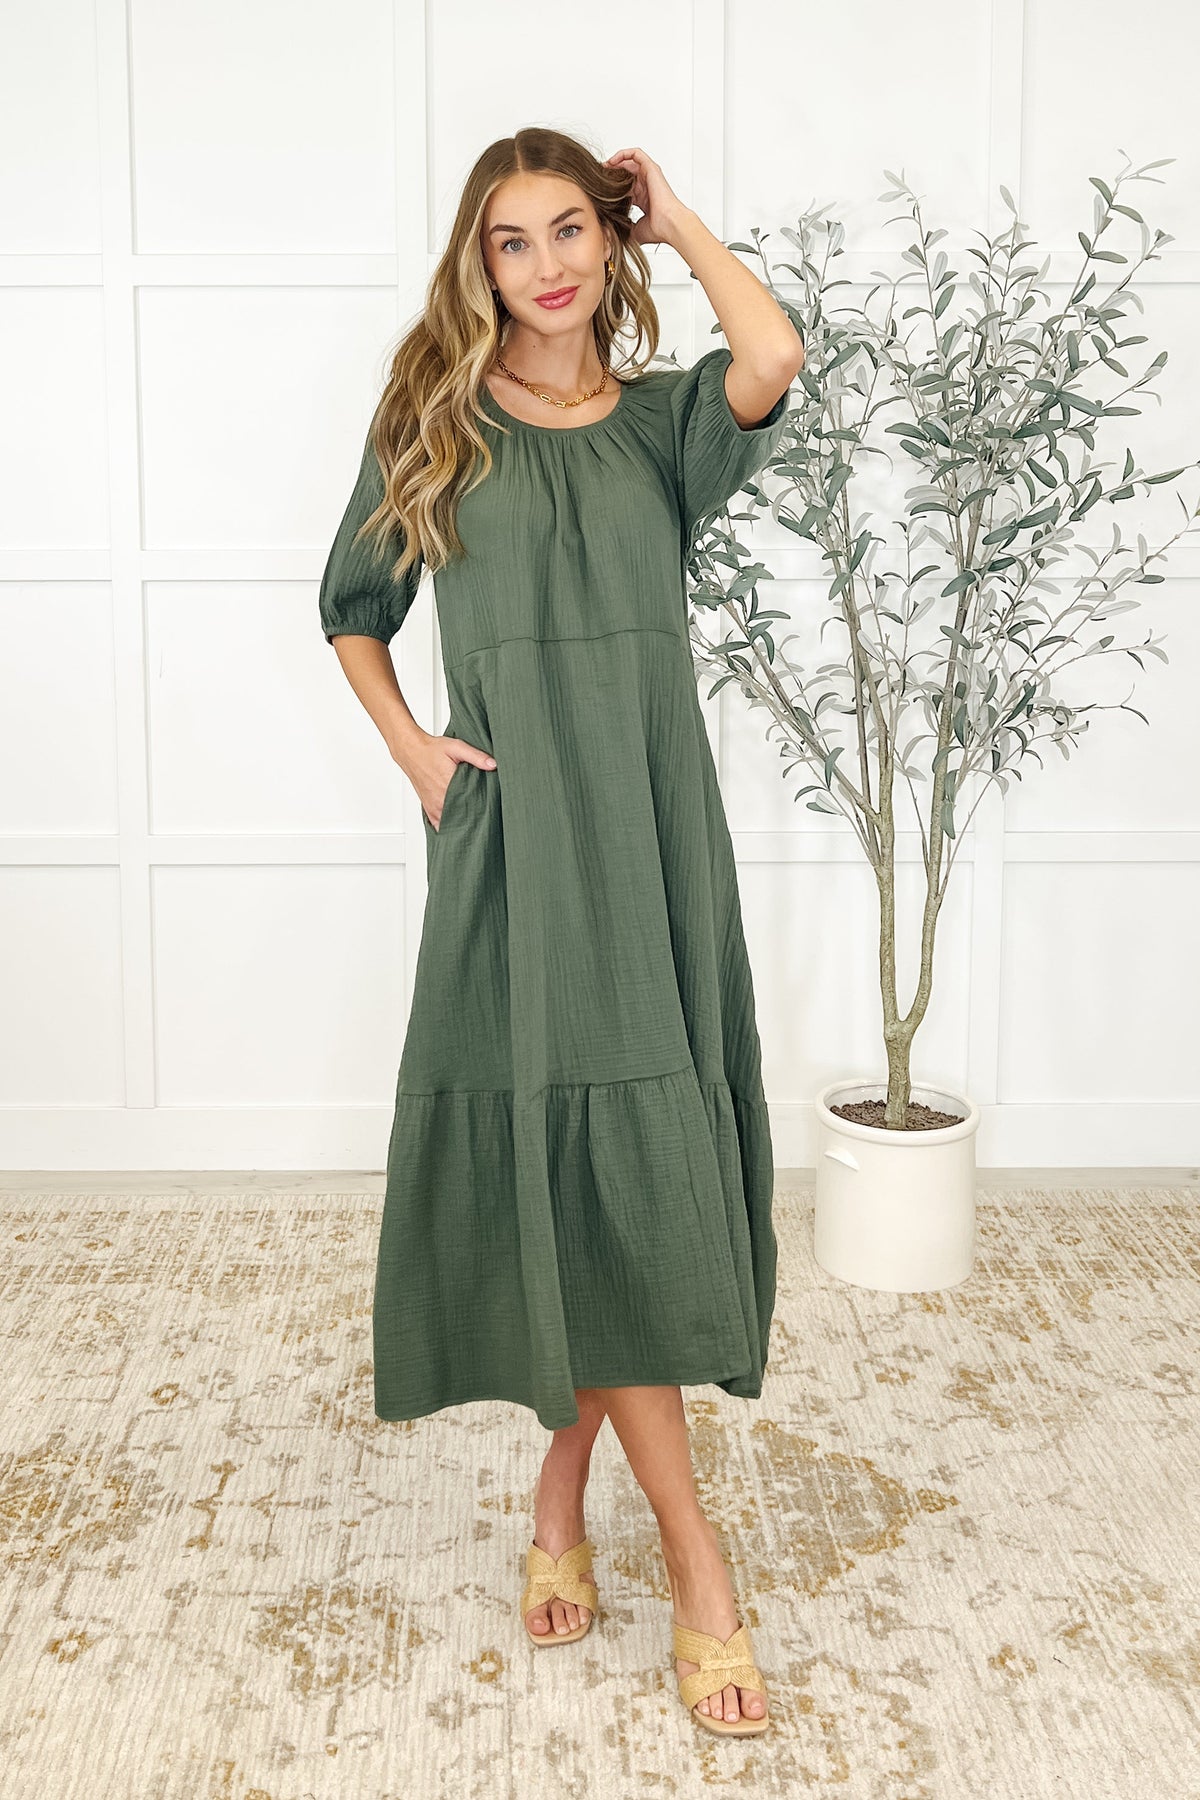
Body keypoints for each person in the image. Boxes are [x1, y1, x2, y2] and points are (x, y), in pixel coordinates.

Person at [318, 126, 804, 1737]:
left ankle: (556, 1501)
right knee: (573, 1152)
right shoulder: (439, 424)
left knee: (616, 1165)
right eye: (512, 241)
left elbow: (772, 355)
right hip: (519, 835)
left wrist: (681, 218)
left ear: (611, 244)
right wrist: (412, 748)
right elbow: (354, 608)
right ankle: (700, 1562)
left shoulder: (663, 426)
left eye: (574, 232)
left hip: (652, 830)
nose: (547, 266)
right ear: (480, 264)